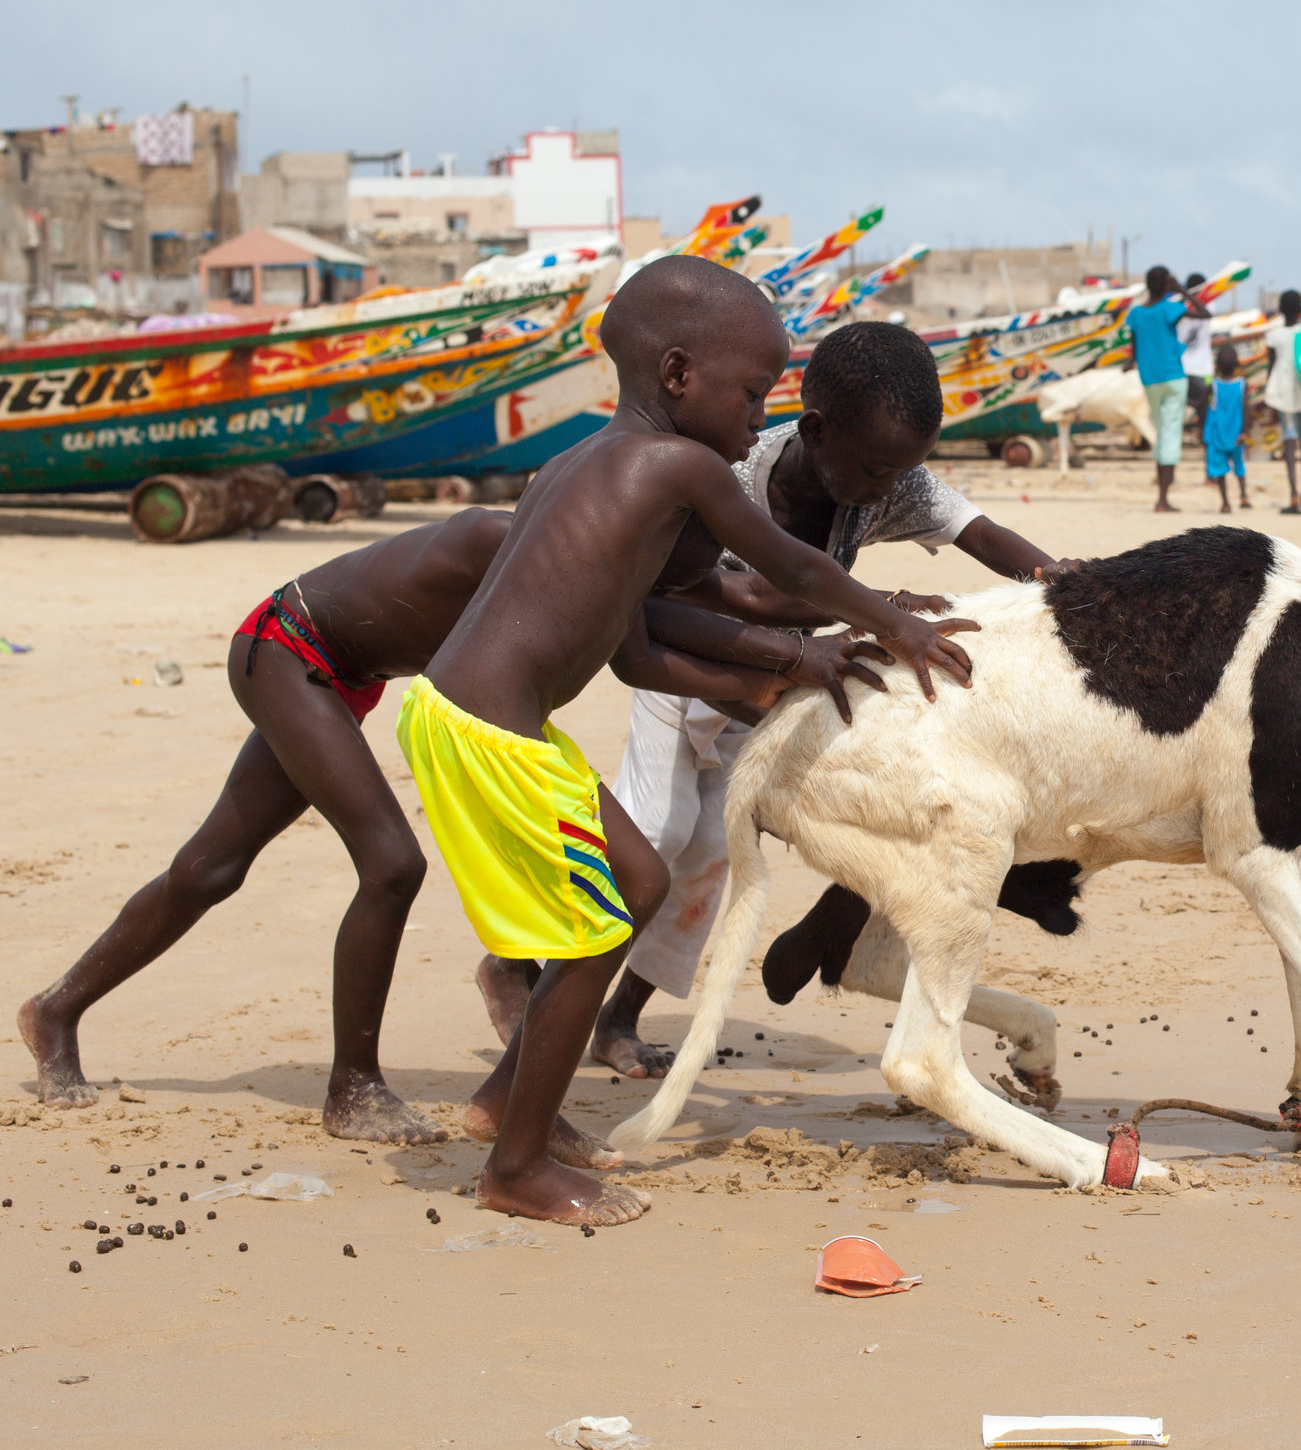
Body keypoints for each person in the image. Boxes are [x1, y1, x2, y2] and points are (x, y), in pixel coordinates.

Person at [397, 254, 977, 1226]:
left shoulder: (579, 469)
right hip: (486, 729)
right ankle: (515, 1164)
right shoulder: (681, 466)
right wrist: (893, 620)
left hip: (472, 716)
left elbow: (645, 646)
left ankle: (507, 1100)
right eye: (752, 391)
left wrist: (791, 664)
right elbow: (785, 560)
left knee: (636, 880)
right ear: (677, 377)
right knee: (620, 897)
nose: (763, 414)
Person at [16, 509, 861, 1141]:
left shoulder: (597, 561)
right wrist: (779, 660)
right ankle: (353, 1087)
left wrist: (872, 616)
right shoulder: (518, 544)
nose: (694, 572)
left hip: (345, 673)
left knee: (211, 867)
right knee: (389, 862)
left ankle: (55, 1010)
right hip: (289, 650)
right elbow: (661, 628)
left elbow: (712, 604)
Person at [481, 320, 1067, 1078]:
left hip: (775, 677)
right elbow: (760, 588)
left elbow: (981, 533)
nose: (889, 488)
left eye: (902, 474)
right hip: (684, 661)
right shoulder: (739, 468)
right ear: (815, 430)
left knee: (711, 855)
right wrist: (883, 608)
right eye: (876, 470)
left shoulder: (888, 475)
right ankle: (513, 957)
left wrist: (1061, 579)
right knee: (657, 828)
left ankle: (620, 1018)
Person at [1130, 265, 1208, 513]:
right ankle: (1163, 499)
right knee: (1171, 433)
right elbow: (1204, 313)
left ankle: (1162, 493)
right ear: (1166, 284)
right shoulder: (1168, 309)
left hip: (1149, 378)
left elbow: (1134, 347)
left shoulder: (1136, 313)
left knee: (1162, 431)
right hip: (1173, 376)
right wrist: (1181, 290)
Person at [1263, 289, 1301, 513]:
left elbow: (1270, 367)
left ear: (1280, 310)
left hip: (1283, 392)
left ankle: (1294, 495)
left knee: (1289, 442)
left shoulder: (1274, 335)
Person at [1204, 344, 1251, 512]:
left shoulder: (1213, 385)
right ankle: (1244, 496)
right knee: (1239, 466)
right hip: (1237, 434)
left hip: (1218, 435)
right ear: (1237, 363)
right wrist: (1246, 430)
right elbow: (1246, 408)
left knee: (1220, 470)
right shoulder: (1242, 385)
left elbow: (1202, 404)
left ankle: (1225, 503)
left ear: (1216, 364)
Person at [1177, 271, 1215, 433]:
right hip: (1203, 369)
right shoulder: (1208, 306)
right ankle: (1204, 438)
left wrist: (1185, 296)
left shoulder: (1180, 309)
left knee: (1180, 406)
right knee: (1204, 408)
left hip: (1183, 368)